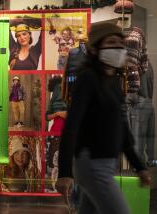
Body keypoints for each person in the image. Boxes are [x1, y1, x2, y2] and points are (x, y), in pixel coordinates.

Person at [56, 23, 151, 214]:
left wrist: (138, 166)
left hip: (106, 166)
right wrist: (64, 172)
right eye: (111, 42)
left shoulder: (114, 81)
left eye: (120, 43)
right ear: (94, 48)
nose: (117, 48)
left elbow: (122, 128)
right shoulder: (88, 79)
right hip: (92, 165)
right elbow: (72, 126)